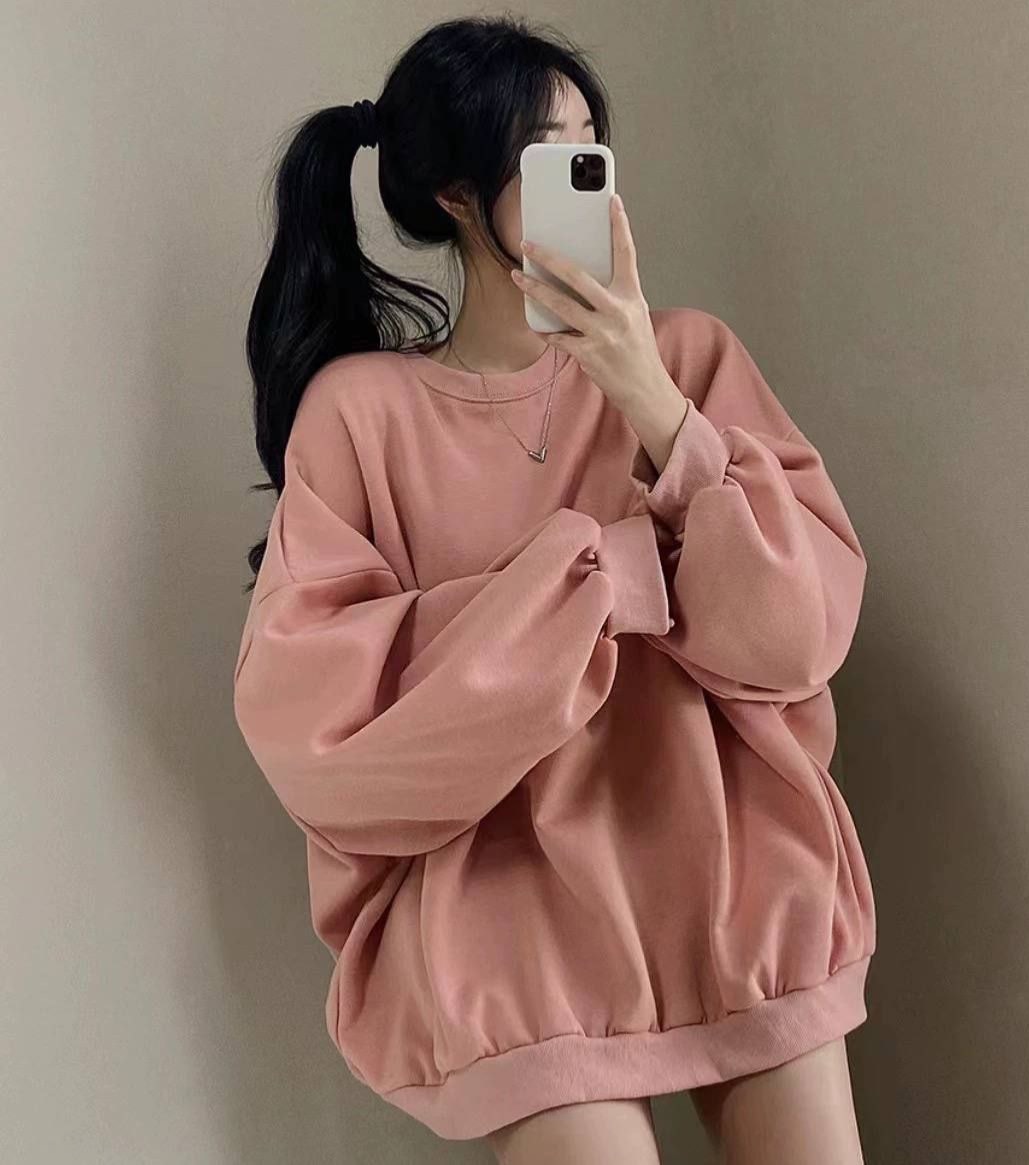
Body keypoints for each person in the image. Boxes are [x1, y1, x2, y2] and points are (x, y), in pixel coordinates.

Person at [232, 14, 873, 1164]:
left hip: (736, 889)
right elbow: (322, 722)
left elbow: (793, 638)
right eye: (549, 149)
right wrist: (614, 574)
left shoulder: (688, 357)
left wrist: (652, 404)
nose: (587, 170)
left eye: (591, 142)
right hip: (510, 928)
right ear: (456, 193)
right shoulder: (361, 413)